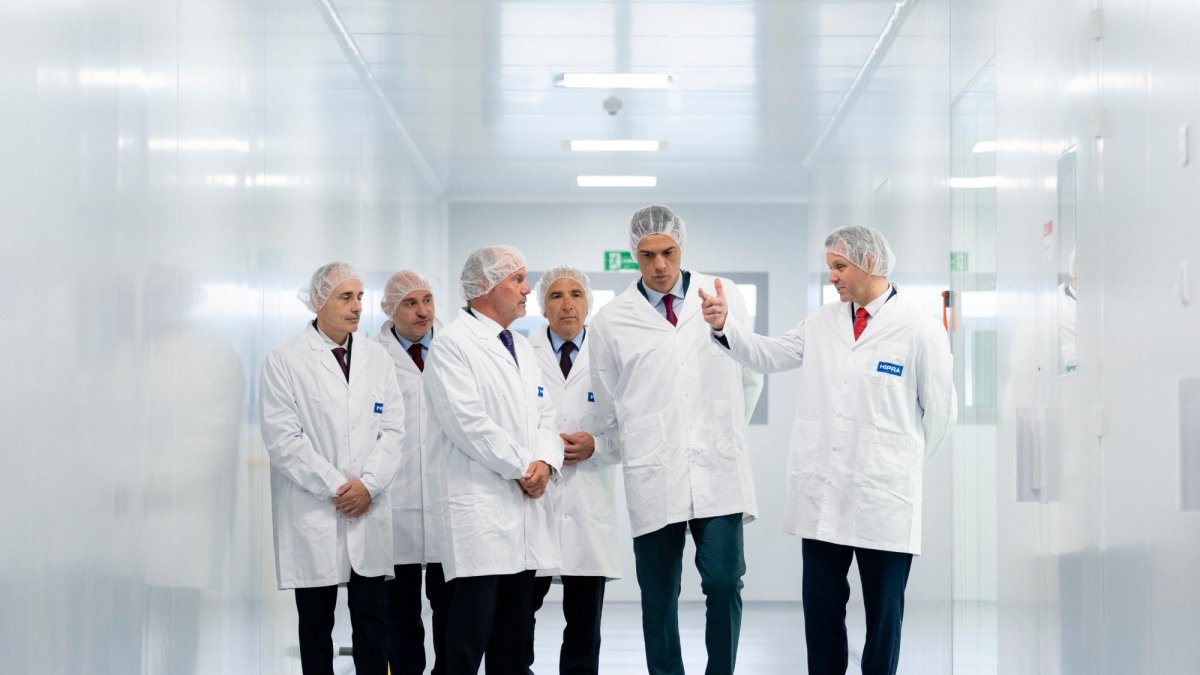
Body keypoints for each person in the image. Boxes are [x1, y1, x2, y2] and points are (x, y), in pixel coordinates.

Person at [698, 225, 958, 675]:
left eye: (840, 267)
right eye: (830, 268)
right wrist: (726, 326)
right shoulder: (823, 322)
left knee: (884, 617)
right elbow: (769, 355)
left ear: (870, 263)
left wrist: (898, 466)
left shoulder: (919, 329)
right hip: (822, 498)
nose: (833, 277)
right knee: (821, 613)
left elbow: (940, 415)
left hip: (884, 499)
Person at [589, 205, 763, 675]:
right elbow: (607, 398)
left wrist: (721, 429)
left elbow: (750, 376)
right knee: (659, 595)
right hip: (654, 469)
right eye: (647, 255)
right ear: (634, 255)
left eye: (668, 252)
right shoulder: (611, 320)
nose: (659, 265)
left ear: (681, 247)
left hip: (718, 467)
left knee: (726, 583)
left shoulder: (722, 297)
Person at [423, 245, 564, 674]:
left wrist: (546, 461)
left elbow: (546, 413)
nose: (528, 290)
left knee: (515, 644)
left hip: (522, 518)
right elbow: (467, 423)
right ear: (485, 288)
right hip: (479, 516)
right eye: (517, 280)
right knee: (466, 643)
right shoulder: (452, 345)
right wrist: (525, 468)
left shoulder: (520, 347)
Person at [259, 261, 405, 675]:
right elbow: (284, 440)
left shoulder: (377, 359)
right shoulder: (285, 360)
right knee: (316, 626)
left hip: (368, 508)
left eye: (360, 296)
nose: (358, 306)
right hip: (316, 510)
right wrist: (340, 488)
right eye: (346, 296)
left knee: (373, 623)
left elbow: (394, 431)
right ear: (319, 300)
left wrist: (369, 486)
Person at [527, 266, 622, 675]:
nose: (567, 304)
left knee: (584, 623)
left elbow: (630, 427)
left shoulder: (610, 357)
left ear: (589, 303)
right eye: (556, 296)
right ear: (542, 306)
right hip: (535, 500)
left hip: (588, 503)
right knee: (518, 616)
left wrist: (596, 444)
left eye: (577, 294)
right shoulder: (522, 355)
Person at [376, 270, 448, 675]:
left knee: (451, 613)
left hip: (447, 502)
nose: (423, 312)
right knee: (398, 615)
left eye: (428, 300)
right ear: (390, 309)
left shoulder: (457, 350)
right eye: (410, 303)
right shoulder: (373, 357)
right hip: (393, 505)